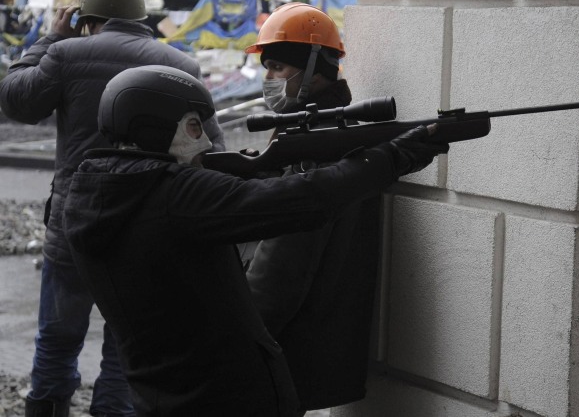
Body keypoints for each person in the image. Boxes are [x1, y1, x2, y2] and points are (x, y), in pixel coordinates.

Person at [62, 65, 447, 416]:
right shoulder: (175, 196)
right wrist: (394, 157)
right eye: (193, 127)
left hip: (161, 396)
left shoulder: (95, 194)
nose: (205, 143)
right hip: (227, 401)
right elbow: (302, 202)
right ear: (155, 127)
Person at [0, 0, 225, 417]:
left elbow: (15, 99)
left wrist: (49, 39)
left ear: (89, 18)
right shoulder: (182, 68)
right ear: (142, 18)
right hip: (146, 224)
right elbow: (212, 152)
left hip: (74, 221)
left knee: (57, 339)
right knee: (127, 346)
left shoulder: (65, 54)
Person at [240, 2, 385, 413]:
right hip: (298, 342)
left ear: (314, 72)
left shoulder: (319, 146)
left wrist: (243, 339)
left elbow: (282, 266)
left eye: (278, 69)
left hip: (285, 344)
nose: (267, 79)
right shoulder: (311, 133)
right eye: (267, 68)